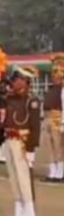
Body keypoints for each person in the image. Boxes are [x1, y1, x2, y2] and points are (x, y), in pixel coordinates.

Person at [2, 65, 41, 216]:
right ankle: (18, 213)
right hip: (9, 139)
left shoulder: (31, 101)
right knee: (14, 178)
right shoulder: (10, 99)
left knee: (24, 178)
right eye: (15, 80)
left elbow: (35, 127)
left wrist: (31, 149)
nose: (15, 83)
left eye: (18, 80)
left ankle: (29, 215)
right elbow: (6, 120)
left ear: (26, 82)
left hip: (23, 142)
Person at [42, 54, 64, 182]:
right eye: (54, 73)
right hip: (47, 117)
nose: (55, 75)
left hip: (58, 118)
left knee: (58, 146)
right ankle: (52, 172)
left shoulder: (62, 90)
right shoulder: (50, 89)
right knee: (49, 146)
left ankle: (60, 172)